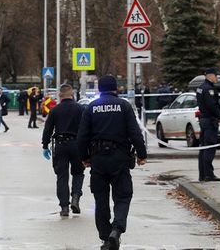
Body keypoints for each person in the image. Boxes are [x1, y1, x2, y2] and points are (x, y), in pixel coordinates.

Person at [76, 75, 147, 250]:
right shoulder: (124, 106)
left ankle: (106, 238)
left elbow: (82, 136)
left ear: (99, 89)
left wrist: (84, 157)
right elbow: (135, 132)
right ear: (116, 89)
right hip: (120, 159)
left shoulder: (91, 107)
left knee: (100, 199)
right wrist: (141, 154)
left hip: (98, 159)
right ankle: (116, 230)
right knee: (123, 196)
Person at [42, 84, 85, 217]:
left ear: (60, 95)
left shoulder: (55, 110)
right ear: (72, 94)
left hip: (60, 145)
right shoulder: (80, 109)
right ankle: (76, 198)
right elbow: (86, 128)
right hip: (77, 145)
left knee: (62, 177)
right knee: (78, 173)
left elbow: (48, 129)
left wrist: (45, 145)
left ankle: (64, 207)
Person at [196, 68, 220, 182]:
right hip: (210, 120)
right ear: (211, 76)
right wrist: (219, 116)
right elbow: (212, 105)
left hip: (203, 120)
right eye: (216, 76)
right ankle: (208, 174)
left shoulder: (200, 88)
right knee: (210, 147)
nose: (217, 78)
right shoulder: (209, 89)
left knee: (203, 147)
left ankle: (203, 173)